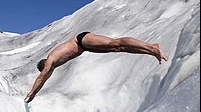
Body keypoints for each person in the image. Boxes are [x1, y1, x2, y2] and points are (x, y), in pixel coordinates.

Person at [24, 31, 168, 103]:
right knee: (118, 49)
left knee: (115, 43)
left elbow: (42, 77)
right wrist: (35, 92)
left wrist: (32, 93)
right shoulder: (52, 65)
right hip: (85, 47)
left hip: (81, 40)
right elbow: (44, 79)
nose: (46, 71)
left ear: (43, 65)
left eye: (44, 69)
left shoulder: (50, 60)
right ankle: (151, 51)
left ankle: (151, 46)